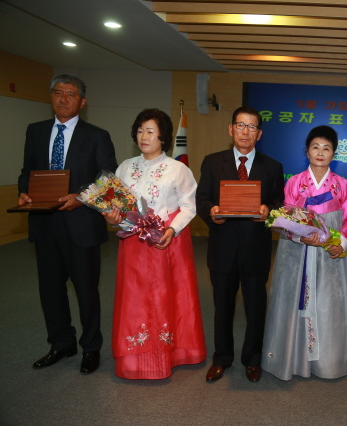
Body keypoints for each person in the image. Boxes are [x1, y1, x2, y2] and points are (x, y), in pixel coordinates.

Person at [17, 74, 117, 374]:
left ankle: (91, 347)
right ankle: (61, 343)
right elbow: (27, 171)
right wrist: (24, 191)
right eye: (58, 92)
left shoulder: (97, 135)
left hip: (81, 225)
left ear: (82, 102)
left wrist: (81, 198)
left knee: (86, 291)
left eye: (70, 94)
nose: (63, 99)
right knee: (50, 291)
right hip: (45, 225)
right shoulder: (35, 131)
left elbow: (108, 179)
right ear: (51, 97)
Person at [103, 108, 206, 379]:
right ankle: (135, 358)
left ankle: (169, 353)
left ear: (163, 137)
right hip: (133, 245)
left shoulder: (178, 169)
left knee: (165, 298)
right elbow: (118, 207)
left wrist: (172, 228)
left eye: (150, 131)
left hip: (166, 243)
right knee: (134, 300)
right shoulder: (125, 167)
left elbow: (189, 205)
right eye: (140, 131)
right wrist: (113, 218)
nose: (144, 136)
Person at [196, 106, 285, 383]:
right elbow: (202, 198)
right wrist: (211, 212)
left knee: (255, 309)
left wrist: (268, 211)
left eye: (252, 127)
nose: (245, 131)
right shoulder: (212, 162)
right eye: (240, 125)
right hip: (222, 248)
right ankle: (221, 358)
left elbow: (279, 202)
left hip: (255, 249)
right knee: (222, 308)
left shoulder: (272, 167)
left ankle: (253, 359)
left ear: (259, 134)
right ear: (231, 129)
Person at [262, 125, 347, 380]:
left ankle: (329, 362)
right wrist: (301, 235)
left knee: (328, 304)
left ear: (334, 153)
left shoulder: (343, 186)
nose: (320, 152)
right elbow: (286, 219)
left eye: (327, 148)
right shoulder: (295, 183)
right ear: (307, 151)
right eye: (316, 147)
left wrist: (341, 244)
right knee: (294, 301)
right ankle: (292, 359)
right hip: (297, 253)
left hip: (329, 255)